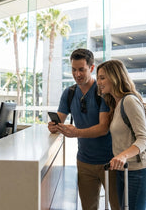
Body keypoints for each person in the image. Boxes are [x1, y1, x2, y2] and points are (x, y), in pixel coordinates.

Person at [48, 49, 120, 210]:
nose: (77, 74)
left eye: (82, 69)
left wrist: (77, 133)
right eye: (74, 69)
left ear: (92, 68)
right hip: (84, 162)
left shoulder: (103, 91)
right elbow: (59, 119)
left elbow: (103, 128)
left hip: (110, 161)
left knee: (118, 206)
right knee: (88, 207)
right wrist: (53, 126)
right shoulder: (69, 93)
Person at [96, 59, 146, 210]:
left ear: (115, 78)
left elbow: (143, 138)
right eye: (98, 78)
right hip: (123, 172)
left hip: (138, 173)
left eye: (102, 78)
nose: (98, 82)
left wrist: (122, 155)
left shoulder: (129, 101)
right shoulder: (116, 103)